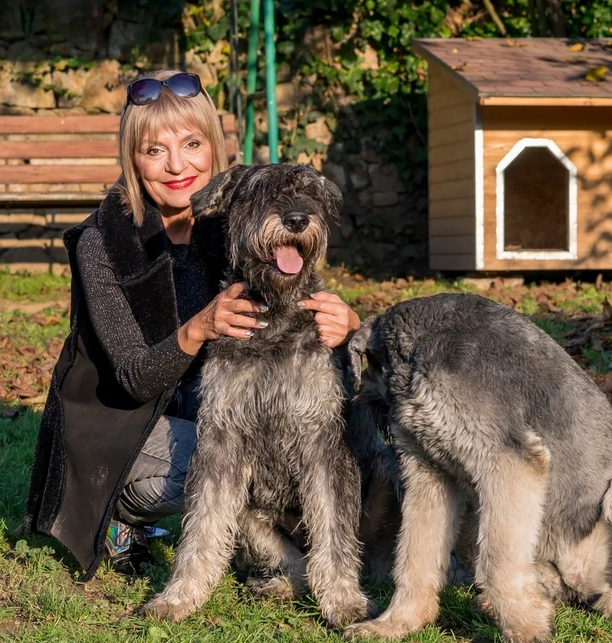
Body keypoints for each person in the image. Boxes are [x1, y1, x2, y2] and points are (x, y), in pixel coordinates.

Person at [20, 70, 362, 579]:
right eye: (155, 150)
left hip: (207, 404)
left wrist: (349, 325)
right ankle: (121, 514)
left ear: (213, 147)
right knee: (214, 459)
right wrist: (198, 328)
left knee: (330, 433)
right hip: (122, 425)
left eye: (192, 144)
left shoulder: (240, 221)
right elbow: (133, 378)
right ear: (132, 159)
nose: (177, 166)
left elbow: (296, 306)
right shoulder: (103, 243)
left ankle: (273, 543)